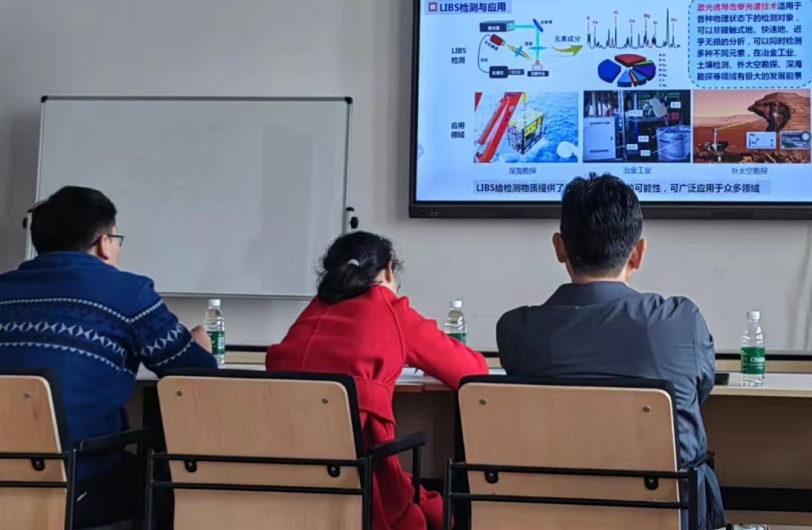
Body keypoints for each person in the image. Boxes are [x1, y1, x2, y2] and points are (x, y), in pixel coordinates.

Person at [497, 173, 725, 530]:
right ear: (638, 252)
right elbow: (699, 391)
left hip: (550, 514)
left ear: (560, 248)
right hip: (663, 515)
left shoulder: (516, 330)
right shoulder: (680, 322)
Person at [0, 185, 217, 528]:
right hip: (77, 485)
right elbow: (194, 374)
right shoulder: (127, 293)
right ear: (104, 243)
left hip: (8, 481)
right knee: (175, 485)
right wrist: (200, 343)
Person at [267, 232, 488, 530]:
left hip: (284, 475)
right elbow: (472, 371)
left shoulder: (313, 311)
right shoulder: (389, 309)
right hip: (363, 477)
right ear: (388, 271)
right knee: (437, 507)